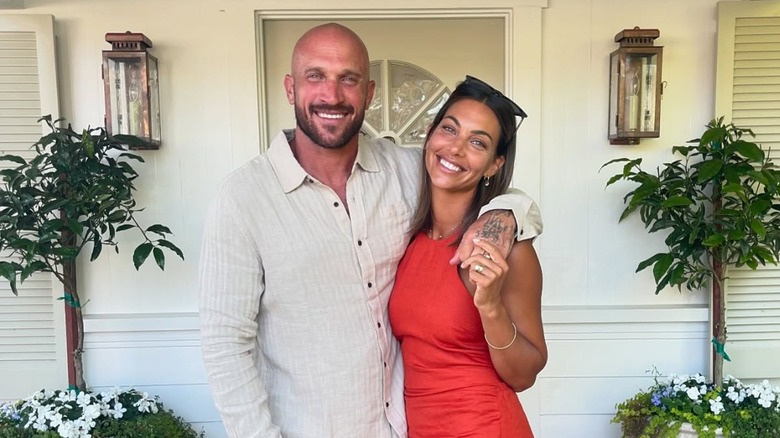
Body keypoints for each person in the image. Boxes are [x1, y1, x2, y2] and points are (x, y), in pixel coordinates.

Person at [199, 23, 528, 438]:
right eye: (315, 76)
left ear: (369, 93)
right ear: (290, 88)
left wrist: (504, 215)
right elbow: (225, 345)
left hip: (406, 428)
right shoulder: (242, 199)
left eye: (348, 79)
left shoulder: (406, 171)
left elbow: (482, 183)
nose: (331, 95)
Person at [389, 76, 547, 437]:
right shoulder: (409, 240)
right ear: (430, 134)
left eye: (478, 142)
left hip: (485, 426)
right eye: (449, 129)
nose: (456, 149)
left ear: (494, 165)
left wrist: (491, 307)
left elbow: (524, 374)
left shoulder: (508, 250)